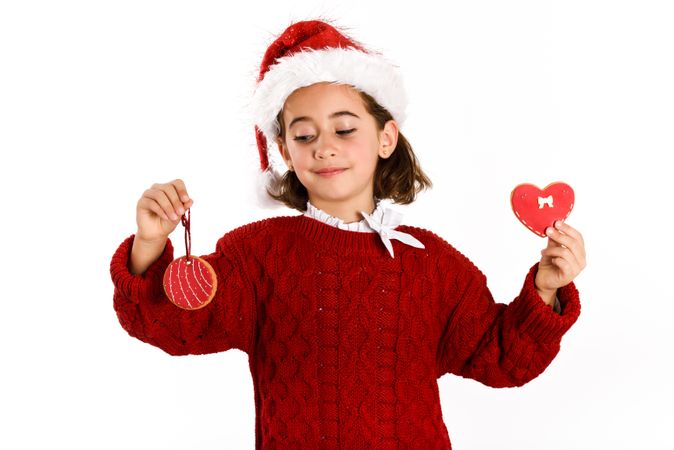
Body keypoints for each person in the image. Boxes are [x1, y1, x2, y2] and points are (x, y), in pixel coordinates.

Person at [109, 19, 586, 449]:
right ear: (284, 150)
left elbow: (501, 358)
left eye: (344, 129)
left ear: (386, 138)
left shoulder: (432, 264)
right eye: (304, 135)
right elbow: (174, 327)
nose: (324, 148)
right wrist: (150, 244)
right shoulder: (257, 255)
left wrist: (546, 287)